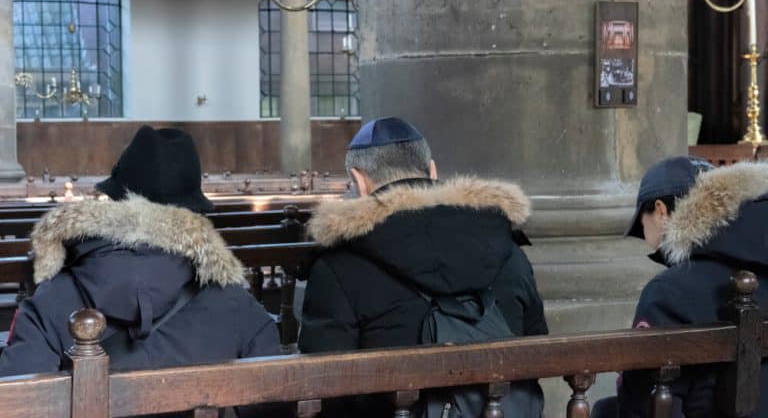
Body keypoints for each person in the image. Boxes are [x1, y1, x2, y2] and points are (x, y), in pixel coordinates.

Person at [299, 117, 546, 417]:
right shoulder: (507, 248)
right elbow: (538, 348)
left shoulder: (337, 267)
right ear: (432, 170)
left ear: (359, 181)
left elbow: (323, 389)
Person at [0, 125, 279, 377]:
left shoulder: (52, 300)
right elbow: (274, 406)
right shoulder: (235, 304)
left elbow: (15, 401)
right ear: (192, 215)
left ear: (116, 203)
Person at [595, 157, 768, 418]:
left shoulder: (667, 291)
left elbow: (643, 404)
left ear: (661, 210)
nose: (643, 234)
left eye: (641, 223)